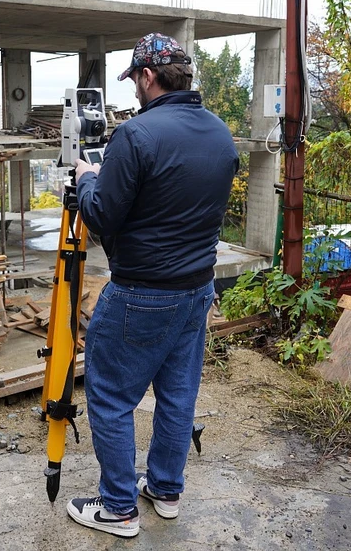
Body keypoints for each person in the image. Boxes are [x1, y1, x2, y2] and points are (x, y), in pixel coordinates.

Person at [65, 32, 239, 538]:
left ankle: (118, 508)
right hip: (197, 290)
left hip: (142, 291)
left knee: (111, 396)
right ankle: (164, 488)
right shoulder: (220, 134)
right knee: (178, 394)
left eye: (135, 82)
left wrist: (87, 177)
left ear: (147, 76)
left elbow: (100, 215)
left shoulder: (136, 136)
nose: (135, 92)